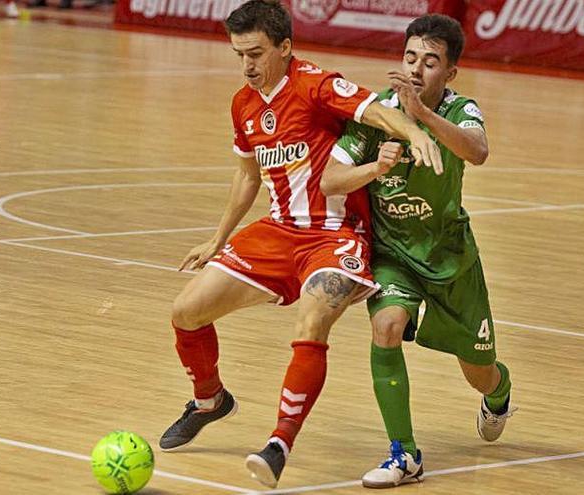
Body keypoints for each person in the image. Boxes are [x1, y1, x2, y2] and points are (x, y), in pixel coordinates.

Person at [157, 0, 443, 489]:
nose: (247, 65)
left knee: (311, 321)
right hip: (275, 232)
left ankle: (278, 444)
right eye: (239, 54)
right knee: (186, 312)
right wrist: (217, 238)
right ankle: (210, 401)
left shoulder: (316, 84)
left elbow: (376, 112)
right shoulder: (243, 103)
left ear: (285, 47)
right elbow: (247, 176)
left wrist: (415, 133)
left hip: (332, 237)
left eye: (256, 53)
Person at [321, 14, 515, 489]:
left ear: (449, 73)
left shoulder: (461, 109)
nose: (416, 69)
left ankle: (500, 392)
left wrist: (422, 119)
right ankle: (404, 454)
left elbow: (478, 151)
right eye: (410, 58)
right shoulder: (375, 115)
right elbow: (329, 180)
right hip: (393, 253)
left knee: (480, 373)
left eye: (430, 63)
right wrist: (372, 168)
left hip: (450, 256)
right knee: (386, 328)